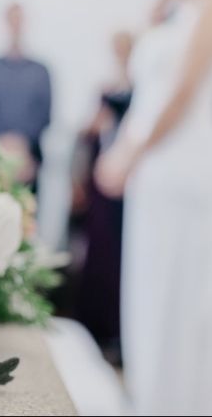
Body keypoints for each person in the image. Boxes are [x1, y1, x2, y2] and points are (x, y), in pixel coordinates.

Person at [95, 0, 212, 414]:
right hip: (157, 174)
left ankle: (183, 399)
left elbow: (182, 94)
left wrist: (129, 153)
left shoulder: (209, 7)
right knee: (148, 288)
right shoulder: (174, 16)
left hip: (184, 171)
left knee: (181, 295)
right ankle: (151, 394)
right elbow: (147, 93)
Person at [70, 32, 134, 365]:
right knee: (97, 250)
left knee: (121, 256)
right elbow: (87, 133)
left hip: (129, 186)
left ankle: (116, 330)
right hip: (101, 179)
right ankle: (92, 326)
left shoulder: (140, 86)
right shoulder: (106, 87)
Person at [0, 3, 52, 190]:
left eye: (19, 19)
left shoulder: (41, 71)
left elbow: (45, 114)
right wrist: (3, 144)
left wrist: (22, 145)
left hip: (29, 162)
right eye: (12, 19)